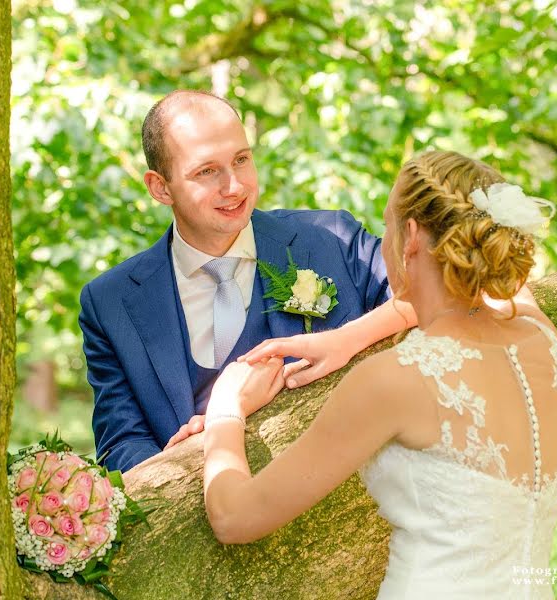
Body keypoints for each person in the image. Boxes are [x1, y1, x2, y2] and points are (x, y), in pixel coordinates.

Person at [203, 151, 557, 598]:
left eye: (388, 226)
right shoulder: (538, 334)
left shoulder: (396, 379)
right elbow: (491, 293)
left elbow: (235, 518)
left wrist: (224, 408)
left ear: (412, 235)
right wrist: (346, 338)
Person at [78, 90, 413, 473]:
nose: (234, 186)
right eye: (206, 171)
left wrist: (341, 340)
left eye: (241, 159)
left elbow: (442, 296)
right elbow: (121, 445)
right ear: (160, 187)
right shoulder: (109, 304)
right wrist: (177, 463)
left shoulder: (330, 238)